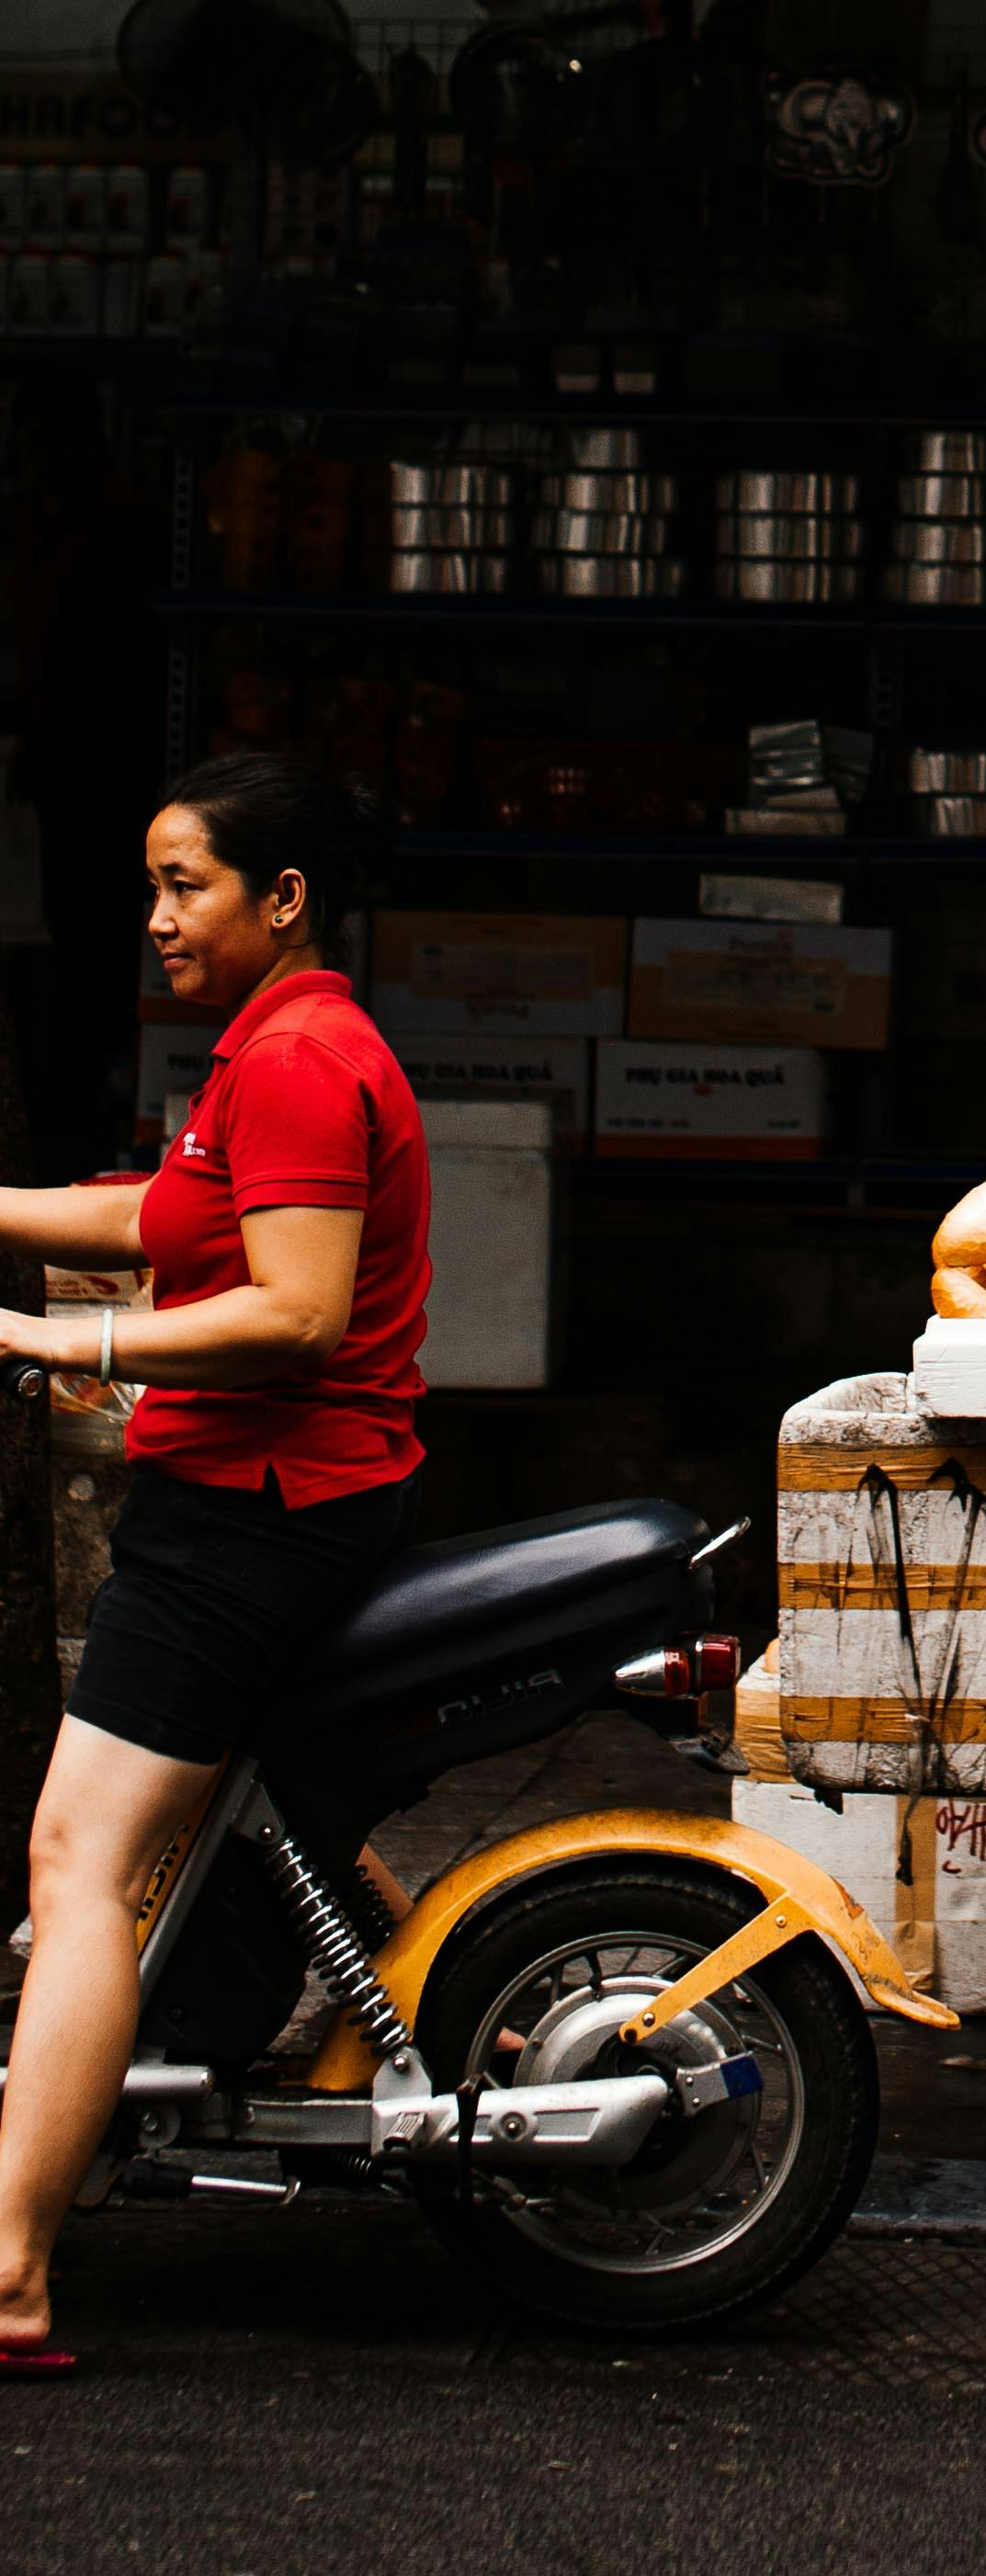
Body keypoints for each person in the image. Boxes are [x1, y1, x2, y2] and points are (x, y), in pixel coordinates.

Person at [0, 754, 428, 2373]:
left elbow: (294, 1309)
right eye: (158, 884)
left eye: (189, 885)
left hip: (252, 1515)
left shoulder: (308, 1057)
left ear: (286, 897)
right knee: (236, 1823)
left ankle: (13, 2274)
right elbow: (162, 1213)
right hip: (265, 1504)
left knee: (80, 1866)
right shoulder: (265, 1048)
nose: (161, 917)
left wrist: (63, 1340)